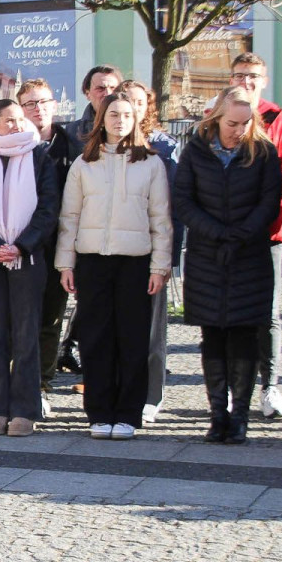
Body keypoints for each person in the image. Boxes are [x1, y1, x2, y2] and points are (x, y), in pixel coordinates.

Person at [56, 92, 171, 440]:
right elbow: (69, 218)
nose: (119, 120)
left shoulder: (150, 163)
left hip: (135, 262)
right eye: (112, 114)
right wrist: (65, 264)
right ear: (100, 120)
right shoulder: (84, 164)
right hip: (92, 261)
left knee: (133, 339)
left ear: (135, 119)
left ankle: (128, 413)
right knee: (96, 338)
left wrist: (159, 266)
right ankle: (99, 412)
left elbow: (161, 220)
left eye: (125, 114)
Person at [174, 87, 281, 444]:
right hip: (208, 256)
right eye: (232, 123)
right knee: (212, 336)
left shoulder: (262, 152)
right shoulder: (195, 151)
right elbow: (184, 201)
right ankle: (217, 414)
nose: (238, 130)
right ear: (216, 117)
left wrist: (240, 235)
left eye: (245, 123)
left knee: (244, 335)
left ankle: (240, 417)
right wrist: (217, 233)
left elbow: (269, 201)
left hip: (248, 255)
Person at [0, 99, 60, 436]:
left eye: (21, 120)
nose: (18, 126)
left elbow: (48, 208)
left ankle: (25, 410)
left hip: (28, 258)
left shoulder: (38, 156)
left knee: (26, 335)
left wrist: (21, 245)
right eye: (10, 121)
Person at [221, 53, 282, 420]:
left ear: (263, 80)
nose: (246, 81)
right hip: (225, 232)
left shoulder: (278, 120)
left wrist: (250, 218)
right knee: (229, 312)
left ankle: (270, 386)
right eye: (240, 75)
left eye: (253, 76)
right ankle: (235, 390)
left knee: (268, 312)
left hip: (266, 230)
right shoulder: (217, 116)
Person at [17, 78, 81, 418]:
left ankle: (41, 384)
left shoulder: (72, 145)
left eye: (43, 102)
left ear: (55, 105)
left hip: (57, 245)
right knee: (17, 320)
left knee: (49, 319)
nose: (37, 109)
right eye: (30, 103)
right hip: (19, 244)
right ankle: (17, 383)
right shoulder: (11, 144)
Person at [57, 65, 124, 380]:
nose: (106, 93)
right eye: (100, 87)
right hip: (83, 230)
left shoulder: (128, 131)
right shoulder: (72, 133)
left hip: (121, 232)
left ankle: (76, 349)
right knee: (89, 299)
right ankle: (75, 352)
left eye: (112, 87)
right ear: (87, 92)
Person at [124, 79, 182, 424]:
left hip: (151, 246)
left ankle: (151, 394)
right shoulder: (104, 146)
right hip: (116, 248)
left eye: (138, 102)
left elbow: (170, 208)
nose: (132, 108)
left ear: (147, 106)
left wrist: (170, 255)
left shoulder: (164, 147)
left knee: (152, 328)